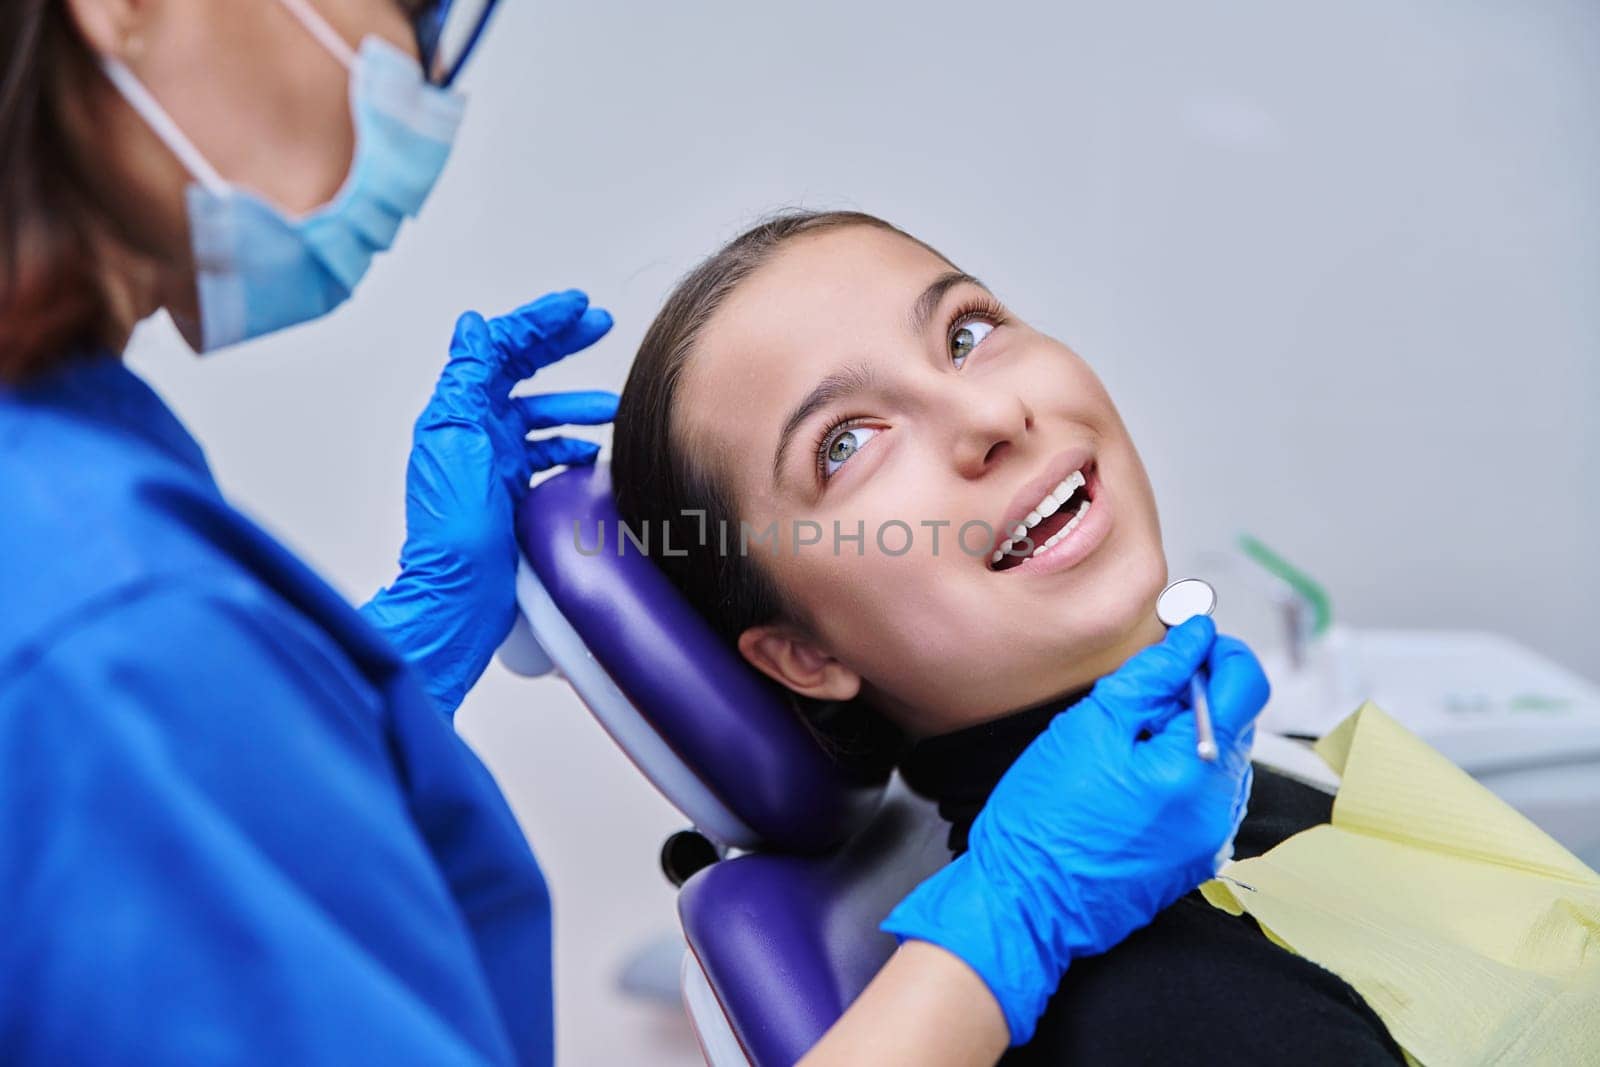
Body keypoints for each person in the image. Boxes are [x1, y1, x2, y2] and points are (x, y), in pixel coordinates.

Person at [0, 2, 1255, 1061]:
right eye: (843, 443)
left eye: (967, 333)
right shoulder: (100, 627)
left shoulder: (82, 511)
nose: (424, 74)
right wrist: (1012, 914)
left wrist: (403, 653)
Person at [611, 210, 1405, 1063]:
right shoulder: (1174, 1009)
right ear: (811, 655)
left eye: (966, 332)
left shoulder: (1250, 770)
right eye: (843, 444)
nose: (991, 412)